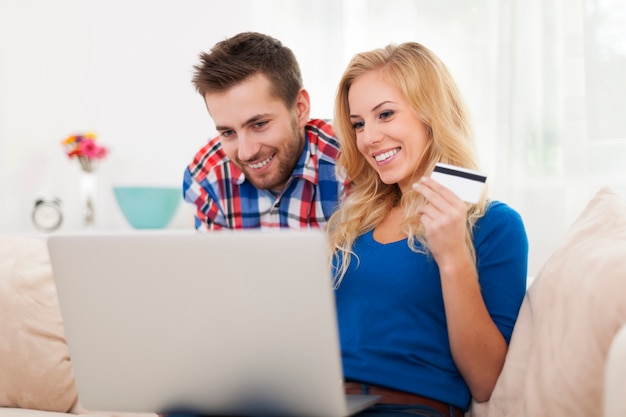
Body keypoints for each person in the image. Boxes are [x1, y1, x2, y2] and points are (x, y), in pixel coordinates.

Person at [327, 42, 529, 417]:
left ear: (431, 115)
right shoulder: (350, 223)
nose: (368, 138)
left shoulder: (493, 225)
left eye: (385, 114)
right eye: (358, 123)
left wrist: (452, 255)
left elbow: (486, 379)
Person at [182, 32, 346, 231]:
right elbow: (213, 262)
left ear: (300, 109)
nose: (246, 152)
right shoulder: (207, 176)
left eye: (259, 124)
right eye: (228, 132)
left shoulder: (349, 161)